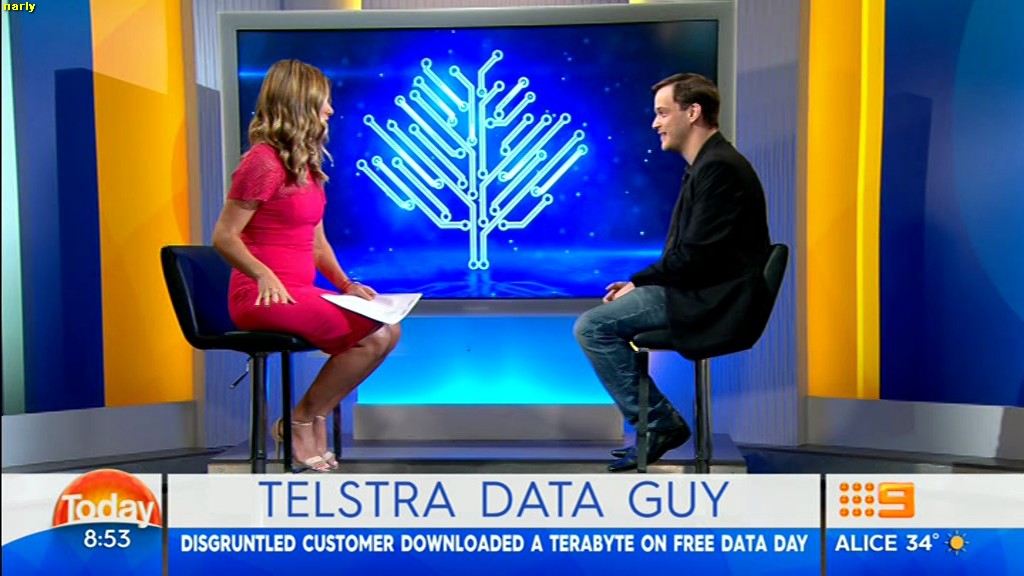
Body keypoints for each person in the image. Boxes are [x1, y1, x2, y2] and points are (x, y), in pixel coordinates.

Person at [574, 73, 771, 472]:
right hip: (698, 287)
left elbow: (696, 256)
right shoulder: (708, 164)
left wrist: (642, 281)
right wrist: (642, 282)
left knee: (593, 327)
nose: (655, 123)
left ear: (693, 112)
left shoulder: (719, 168)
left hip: (711, 297)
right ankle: (657, 423)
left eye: (663, 113)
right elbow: (690, 253)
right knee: (601, 320)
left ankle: (659, 424)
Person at [213, 59, 400, 473]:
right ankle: (301, 419)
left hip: (301, 290)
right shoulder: (262, 164)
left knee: (389, 329)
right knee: (372, 335)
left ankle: (311, 416)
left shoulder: (306, 167)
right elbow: (224, 236)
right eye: (323, 102)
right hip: (262, 295)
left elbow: (318, 245)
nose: (330, 110)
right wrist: (261, 273)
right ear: (299, 104)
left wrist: (346, 285)